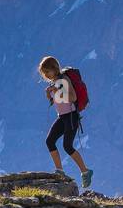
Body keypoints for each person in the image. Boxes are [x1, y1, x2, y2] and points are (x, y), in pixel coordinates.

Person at [39, 55, 93, 190]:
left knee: (67, 146)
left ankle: (85, 172)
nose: (46, 75)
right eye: (44, 73)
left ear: (54, 68)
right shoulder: (54, 82)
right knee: (49, 141)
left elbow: (72, 97)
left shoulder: (64, 79)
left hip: (71, 116)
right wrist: (49, 95)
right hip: (62, 117)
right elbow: (58, 101)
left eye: (47, 71)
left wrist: (58, 91)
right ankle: (59, 171)